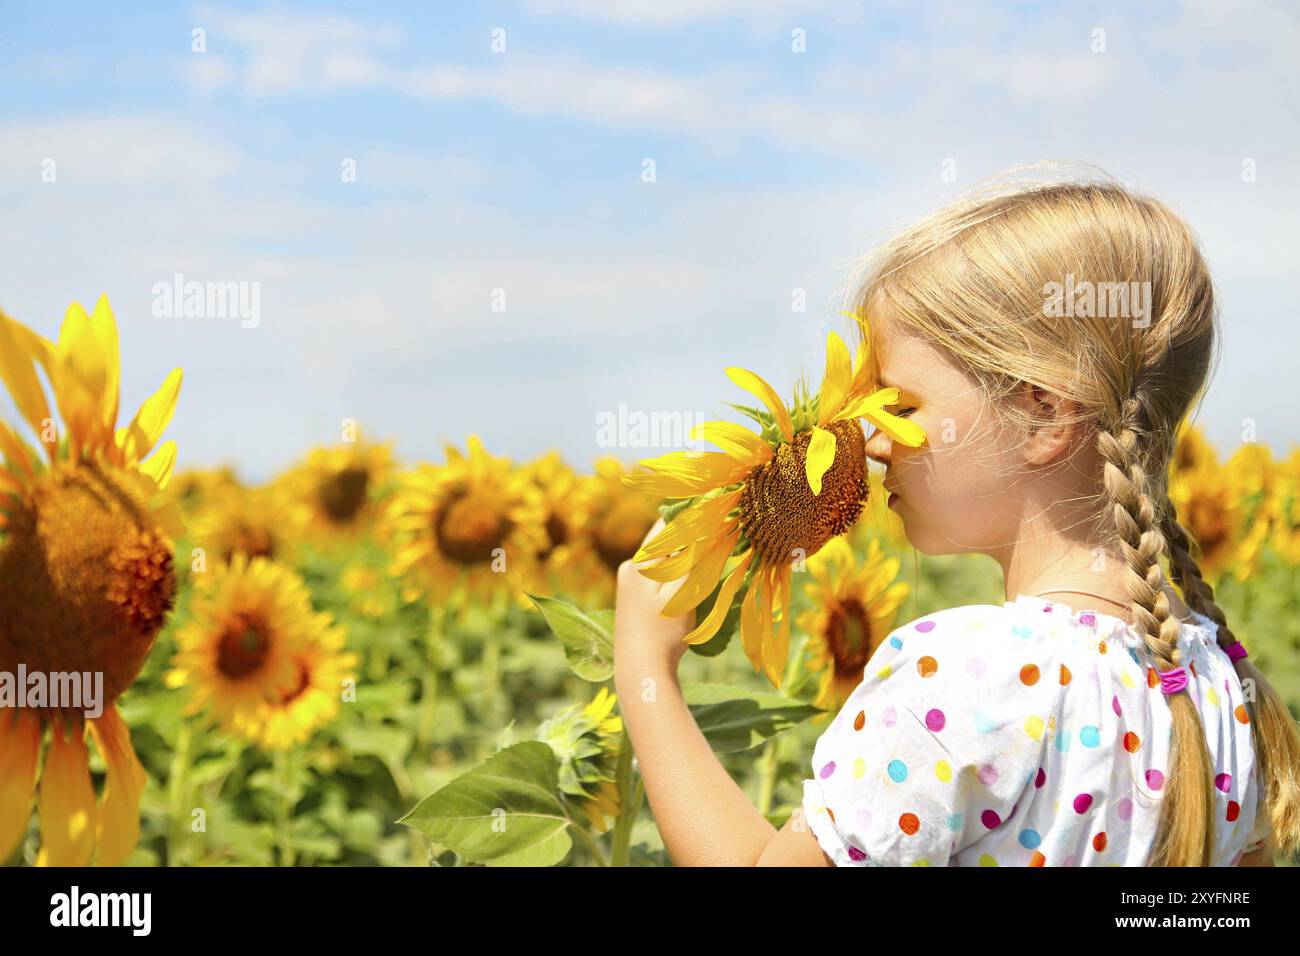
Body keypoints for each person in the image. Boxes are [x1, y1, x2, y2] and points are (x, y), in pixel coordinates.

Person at [612, 172, 1300, 866]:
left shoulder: (960, 677)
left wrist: (645, 667)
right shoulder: (1222, 686)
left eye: (902, 407)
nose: (876, 442)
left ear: (1044, 416)